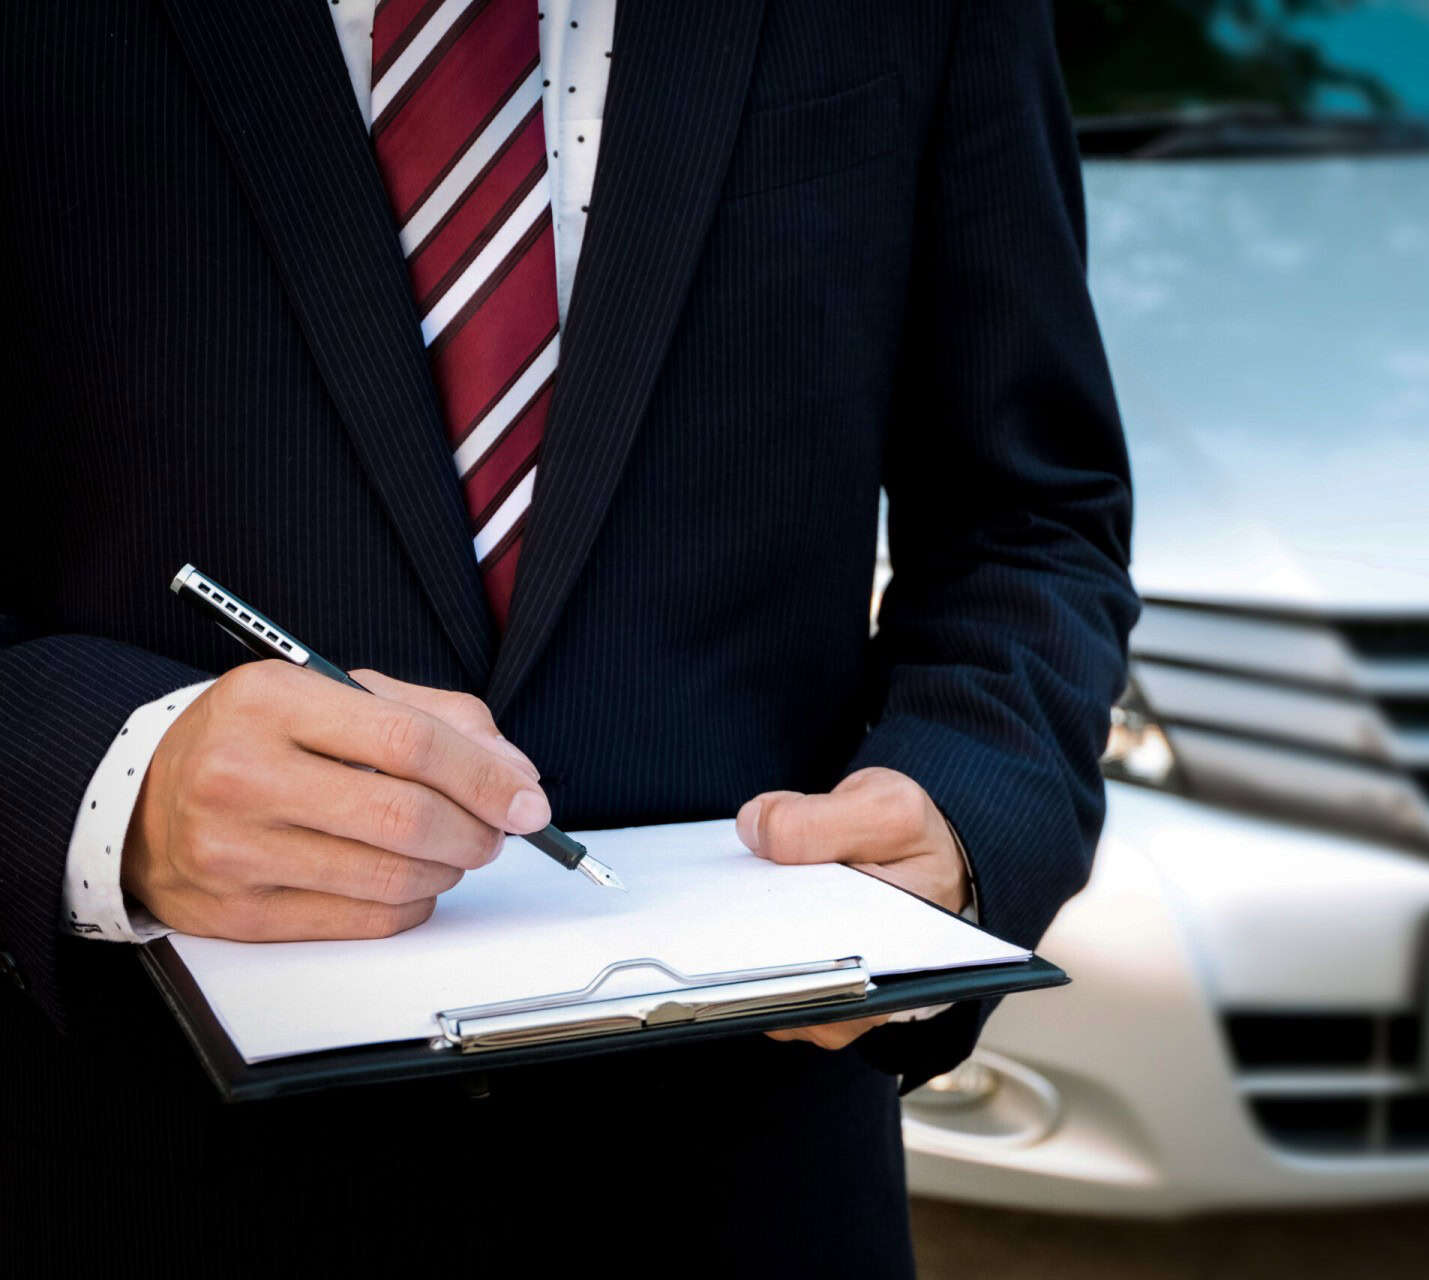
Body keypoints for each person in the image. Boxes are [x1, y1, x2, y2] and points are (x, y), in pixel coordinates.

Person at [0, 1, 1135, 1275]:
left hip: (747, 1189)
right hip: (126, 1173)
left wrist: (968, 809)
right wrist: (113, 785)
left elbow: (1030, 514)